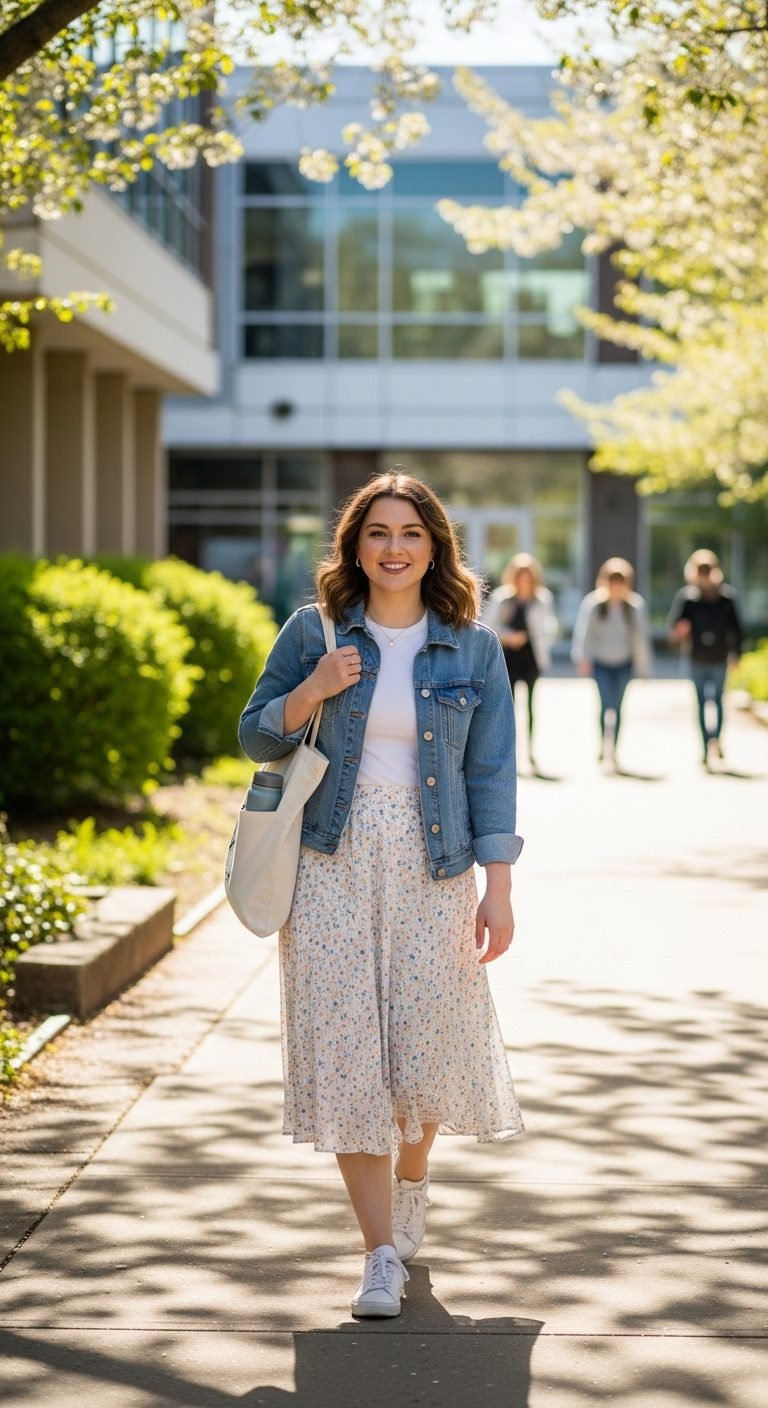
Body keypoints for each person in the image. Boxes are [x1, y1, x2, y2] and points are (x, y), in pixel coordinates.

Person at [239, 470, 524, 1321]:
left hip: (434, 867)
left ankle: (412, 1180)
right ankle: (375, 1256)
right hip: (329, 858)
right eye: (378, 532)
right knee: (351, 1056)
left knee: (418, 1057)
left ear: (434, 545)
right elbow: (254, 732)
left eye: (410, 532)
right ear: (354, 545)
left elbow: (492, 770)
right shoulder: (312, 630)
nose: (393, 548)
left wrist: (497, 888)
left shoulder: (471, 646)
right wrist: (314, 687)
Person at [571, 557, 651, 768]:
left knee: (618, 707)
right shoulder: (595, 604)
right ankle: (602, 745)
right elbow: (584, 633)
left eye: (620, 581)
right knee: (605, 705)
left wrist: (643, 667)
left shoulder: (633, 606)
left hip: (624, 663)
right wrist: (582, 658)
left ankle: (613, 748)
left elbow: (640, 639)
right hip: (602, 663)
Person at [667, 548, 743, 767]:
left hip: (719, 657)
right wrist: (680, 632)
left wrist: (736, 654)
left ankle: (716, 740)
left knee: (718, 701)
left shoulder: (727, 598)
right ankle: (704, 746)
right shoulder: (688, 599)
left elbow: (737, 629)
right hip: (696, 657)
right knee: (700, 703)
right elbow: (674, 629)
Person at [482, 553, 558, 771]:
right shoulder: (503, 598)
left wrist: (541, 641)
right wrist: (508, 637)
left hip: (531, 659)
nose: (524, 580)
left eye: (528, 576)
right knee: (508, 708)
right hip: (508, 659)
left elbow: (551, 628)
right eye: (520, 576)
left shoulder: (542, 600)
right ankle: (510, 753)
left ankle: (531, 752)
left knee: (532, 706)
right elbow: (487, 626)